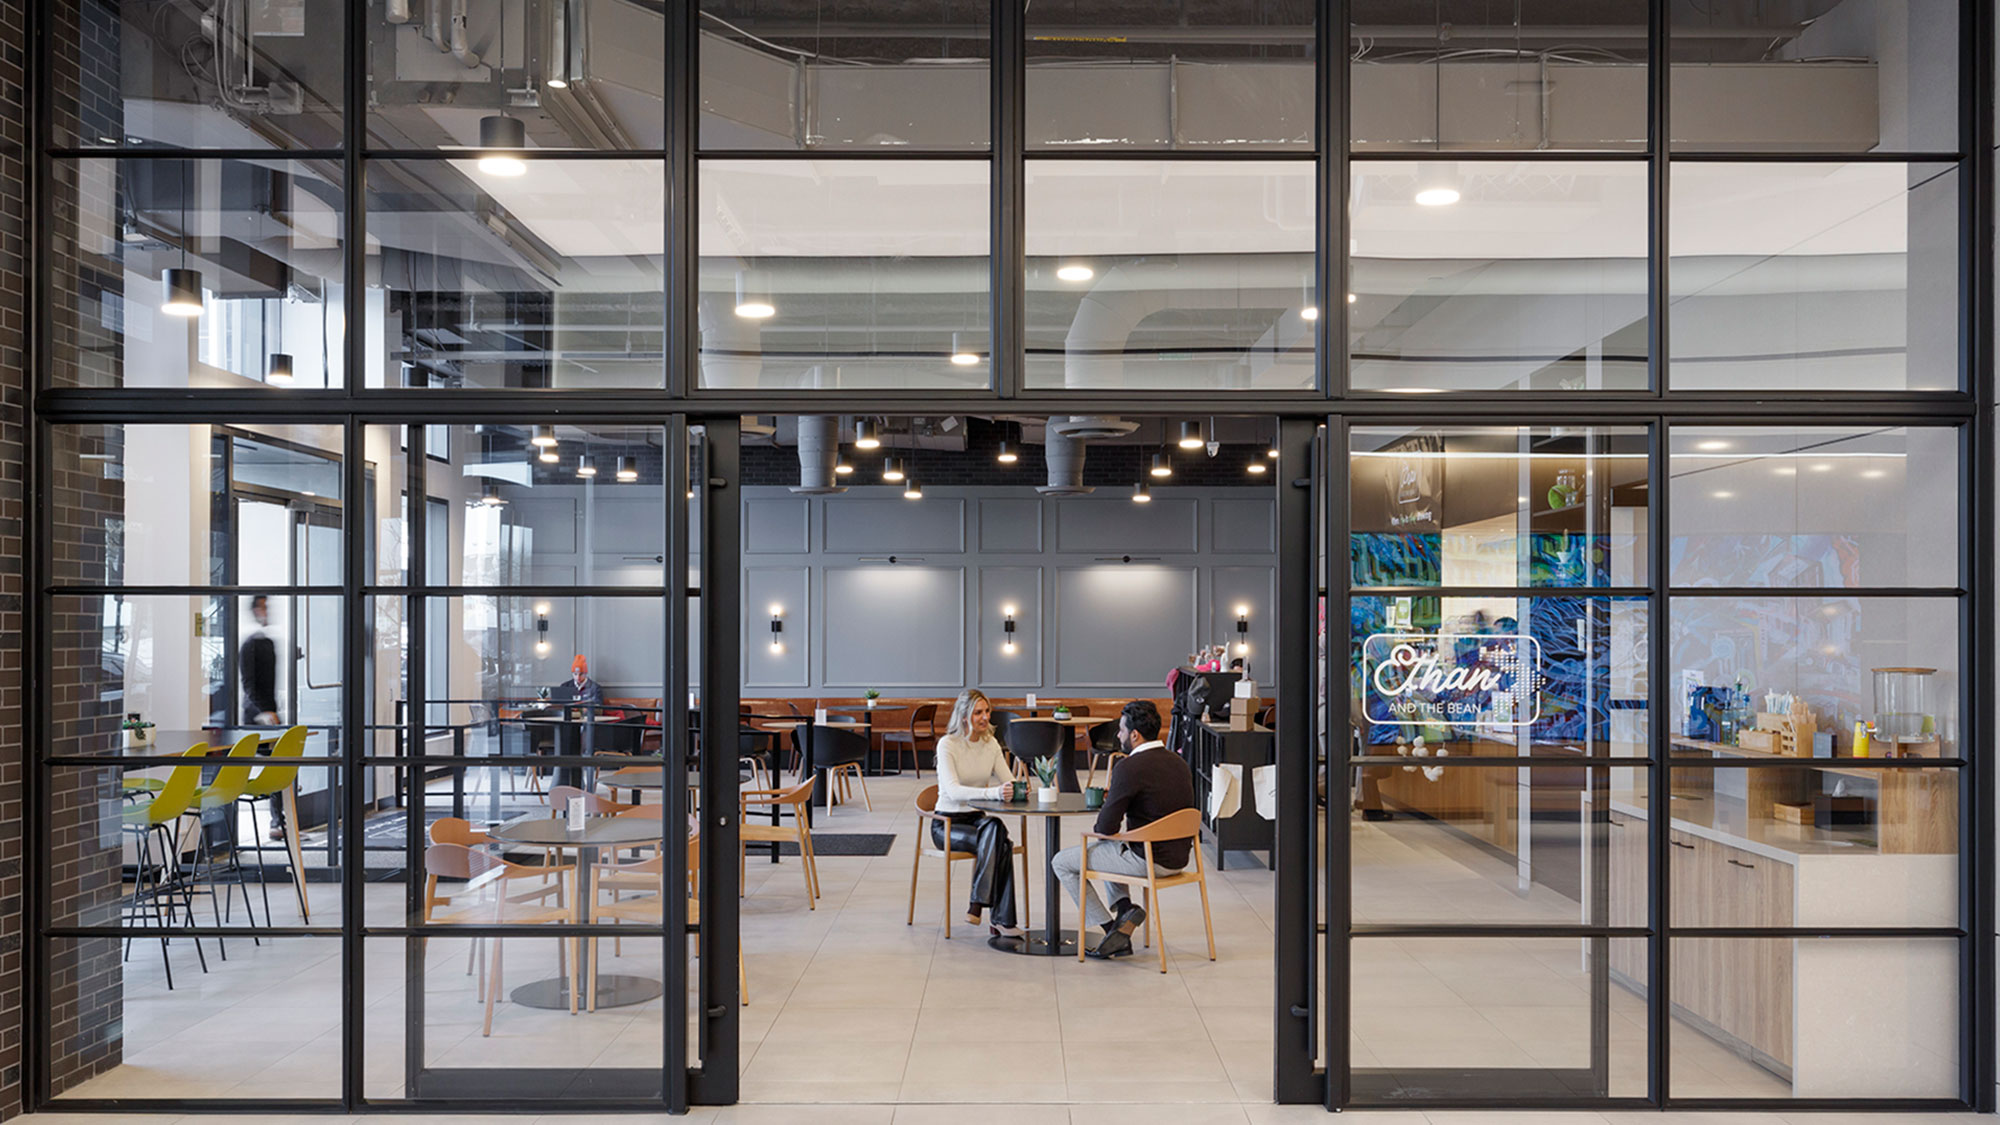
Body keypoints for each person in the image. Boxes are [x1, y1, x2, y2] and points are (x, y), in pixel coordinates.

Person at [1052, 699, 1197, 960]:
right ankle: (1125, 909)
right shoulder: (1179, 763)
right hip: (1179, 858)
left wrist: (1114, 799)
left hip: (1148, 859)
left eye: (1120, 730)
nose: (1118, 736)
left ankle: (1112, 930)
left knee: (1062, 861)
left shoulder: (1129, 767)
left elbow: (1105, 827)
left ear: (1134, 735)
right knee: (1110, 848)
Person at [931, 688, 1024, 937]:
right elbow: (952, 792)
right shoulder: (948, 745)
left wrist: (1019, 788)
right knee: (999, 839)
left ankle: (979, 905)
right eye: (978, 713)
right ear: (964, 717)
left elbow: (1008, 779)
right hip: (947, 824)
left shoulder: (990, 743)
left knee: (994, 830)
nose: (985, 717)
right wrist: (994, 793)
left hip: (977, 821)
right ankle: (1001, 919)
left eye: (987, 711)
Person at [239, 595, 284, 838]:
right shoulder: (250, 644)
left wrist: (273, 712)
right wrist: (262, 713)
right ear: (255, 610)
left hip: (271, 715)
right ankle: (276, 822)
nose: (267, 611)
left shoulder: (267, 643)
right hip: (255, 719)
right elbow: (249, 687)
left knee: (278, 766)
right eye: (263, 606)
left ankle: (278, 822)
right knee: (267, 764)